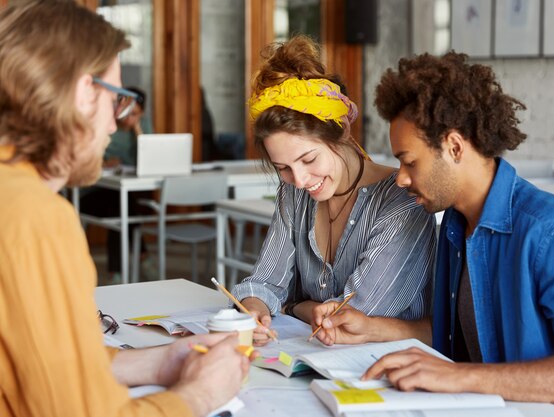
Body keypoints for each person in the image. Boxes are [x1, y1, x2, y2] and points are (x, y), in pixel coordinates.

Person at [311, 51, 554, 417]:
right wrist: (371, 329)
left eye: (410, 161)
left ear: (455, 147)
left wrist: (460, 377)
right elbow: (461, 337)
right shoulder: (455, 227)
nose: (400, 178)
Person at [0, 2, 249, 417]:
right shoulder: (35, 218)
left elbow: (35, 368)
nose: (115, 124)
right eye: (117, 99)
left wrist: (156, 361)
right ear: (84, 92)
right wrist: (201, 393)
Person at [230, 35, 436, 346]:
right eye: (282, 168)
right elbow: (264, 282)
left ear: (341, 131)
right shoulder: (294, 193)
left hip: (389, 367)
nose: (299, 180)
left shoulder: (402, 203)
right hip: (322, 359)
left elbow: (349, 318)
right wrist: (255, 310)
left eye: (309, 159)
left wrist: (293, 305)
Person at [80, 86, 156, 283]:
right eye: (126, 112)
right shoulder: (107, 124)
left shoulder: (142, 125)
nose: (128, 117)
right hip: (96, 192)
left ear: (141, 113)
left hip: (128, 192)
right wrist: (103, 163)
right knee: (122, 207)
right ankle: (142, 256)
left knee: (124, 207)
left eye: (135, 114)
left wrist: (137, 128)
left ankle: (118, 272)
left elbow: (151, 158)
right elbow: (86, 158)